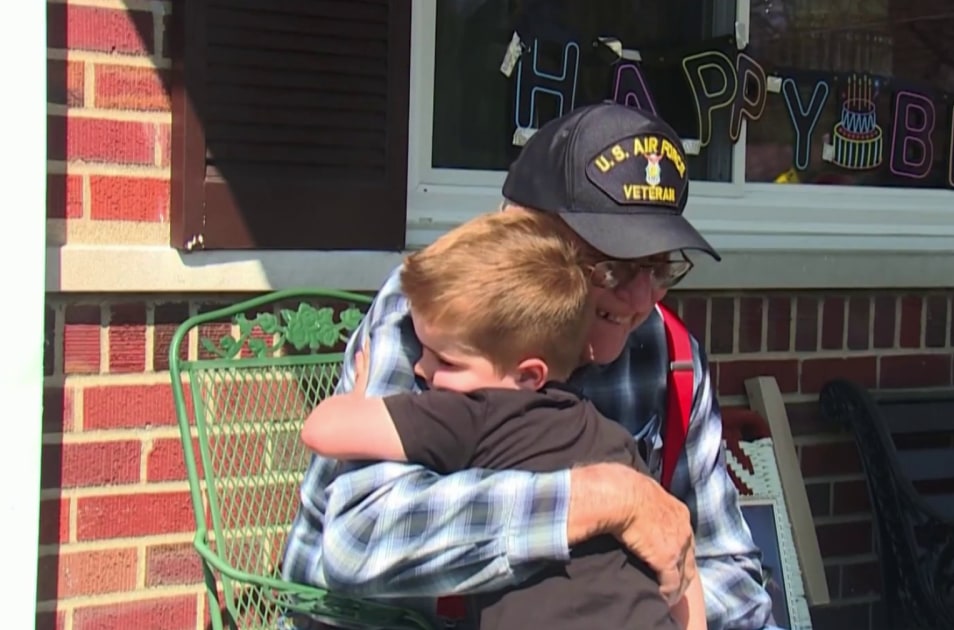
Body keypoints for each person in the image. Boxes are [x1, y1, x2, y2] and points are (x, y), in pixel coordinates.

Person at [280, 103, 782, 630]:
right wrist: (606, 499)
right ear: (517, 235)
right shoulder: (441, 320)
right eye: (609, 265)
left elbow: (729, 568)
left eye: (659, 266)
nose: (639, 298)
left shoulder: (669, 355)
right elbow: (358, 542)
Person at [299, 208, 707, 630]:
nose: (421, 368)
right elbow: (678, 554)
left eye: (446, 360)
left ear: (528, 373)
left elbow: (321, 431)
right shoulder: (611, 437)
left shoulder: (471, 415)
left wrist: (361, 394)